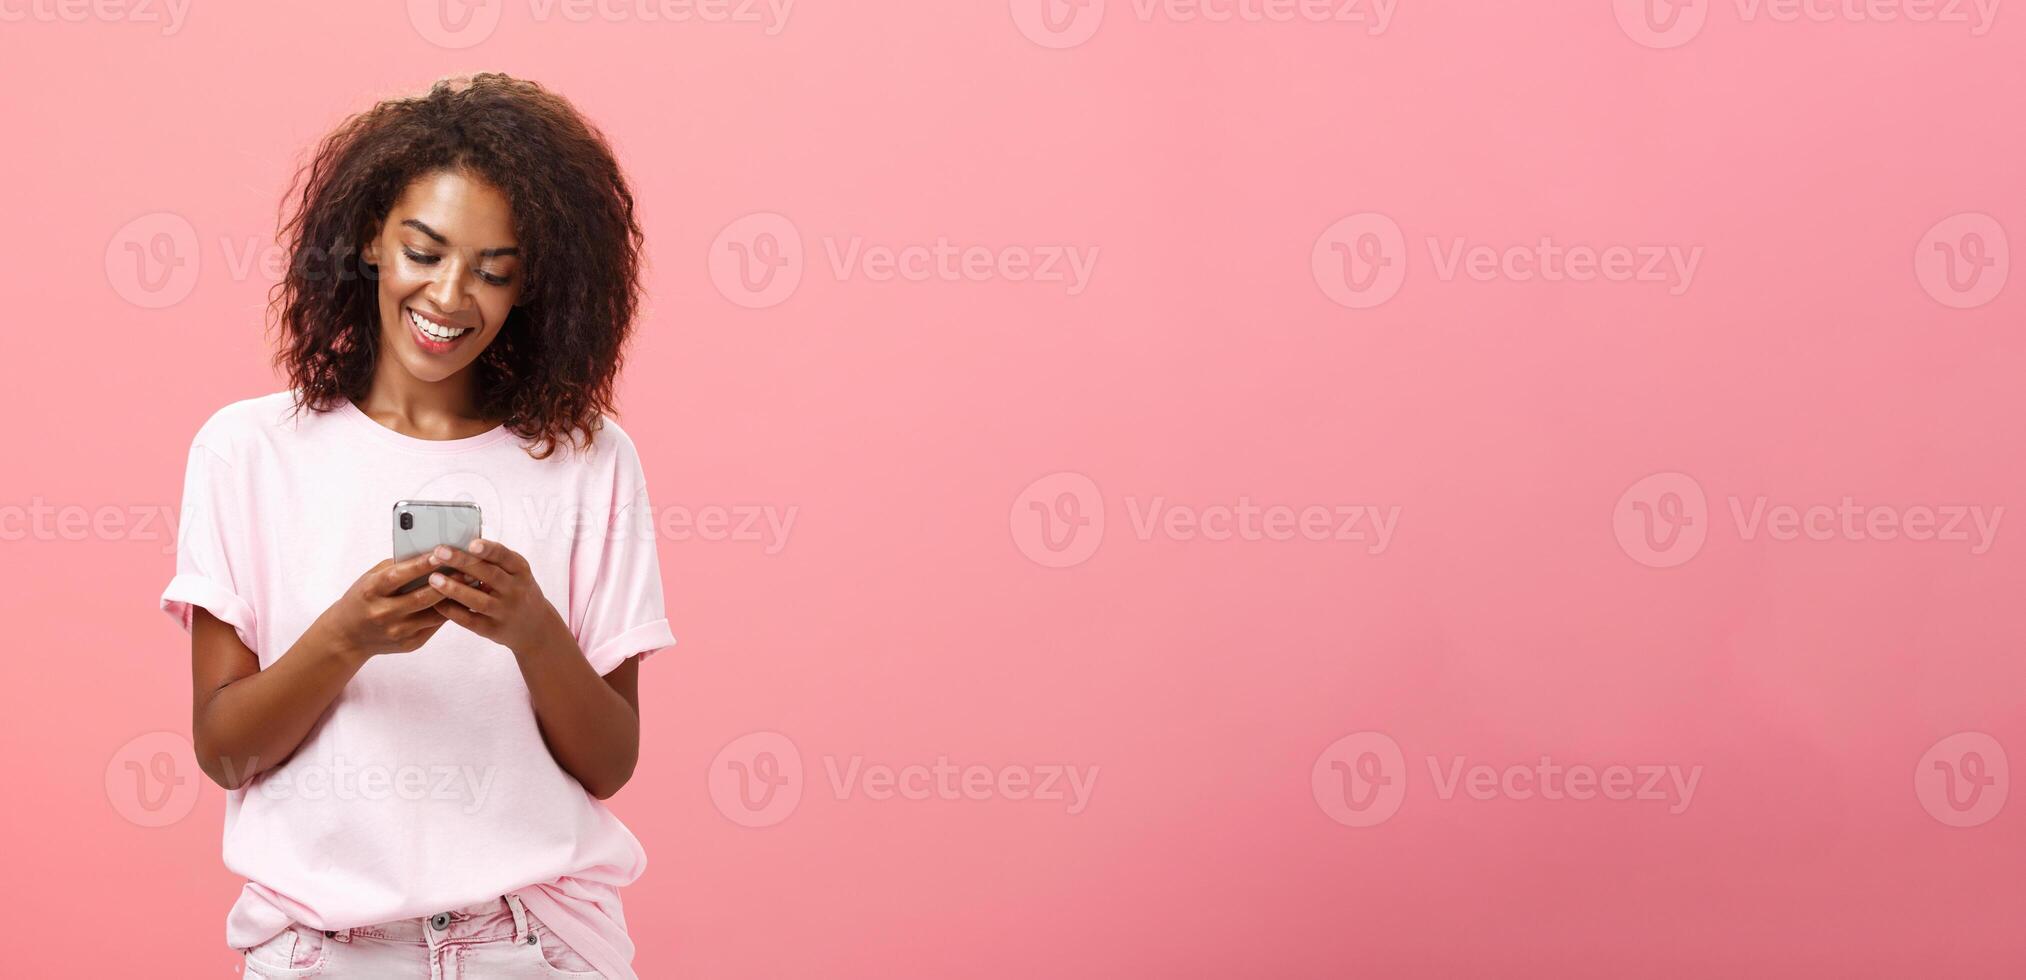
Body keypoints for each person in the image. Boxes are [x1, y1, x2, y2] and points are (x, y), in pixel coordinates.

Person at [159, 73, 672, 979]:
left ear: (531, 287)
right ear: (369, 240)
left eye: (493, 271)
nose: (449, 295)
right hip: (322, 952)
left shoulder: (591, 459)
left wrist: (532, 633)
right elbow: (225, 751)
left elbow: (610, 764)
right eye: (424, 251)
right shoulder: (246, 451)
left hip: (536, 947)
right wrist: (347, 637)